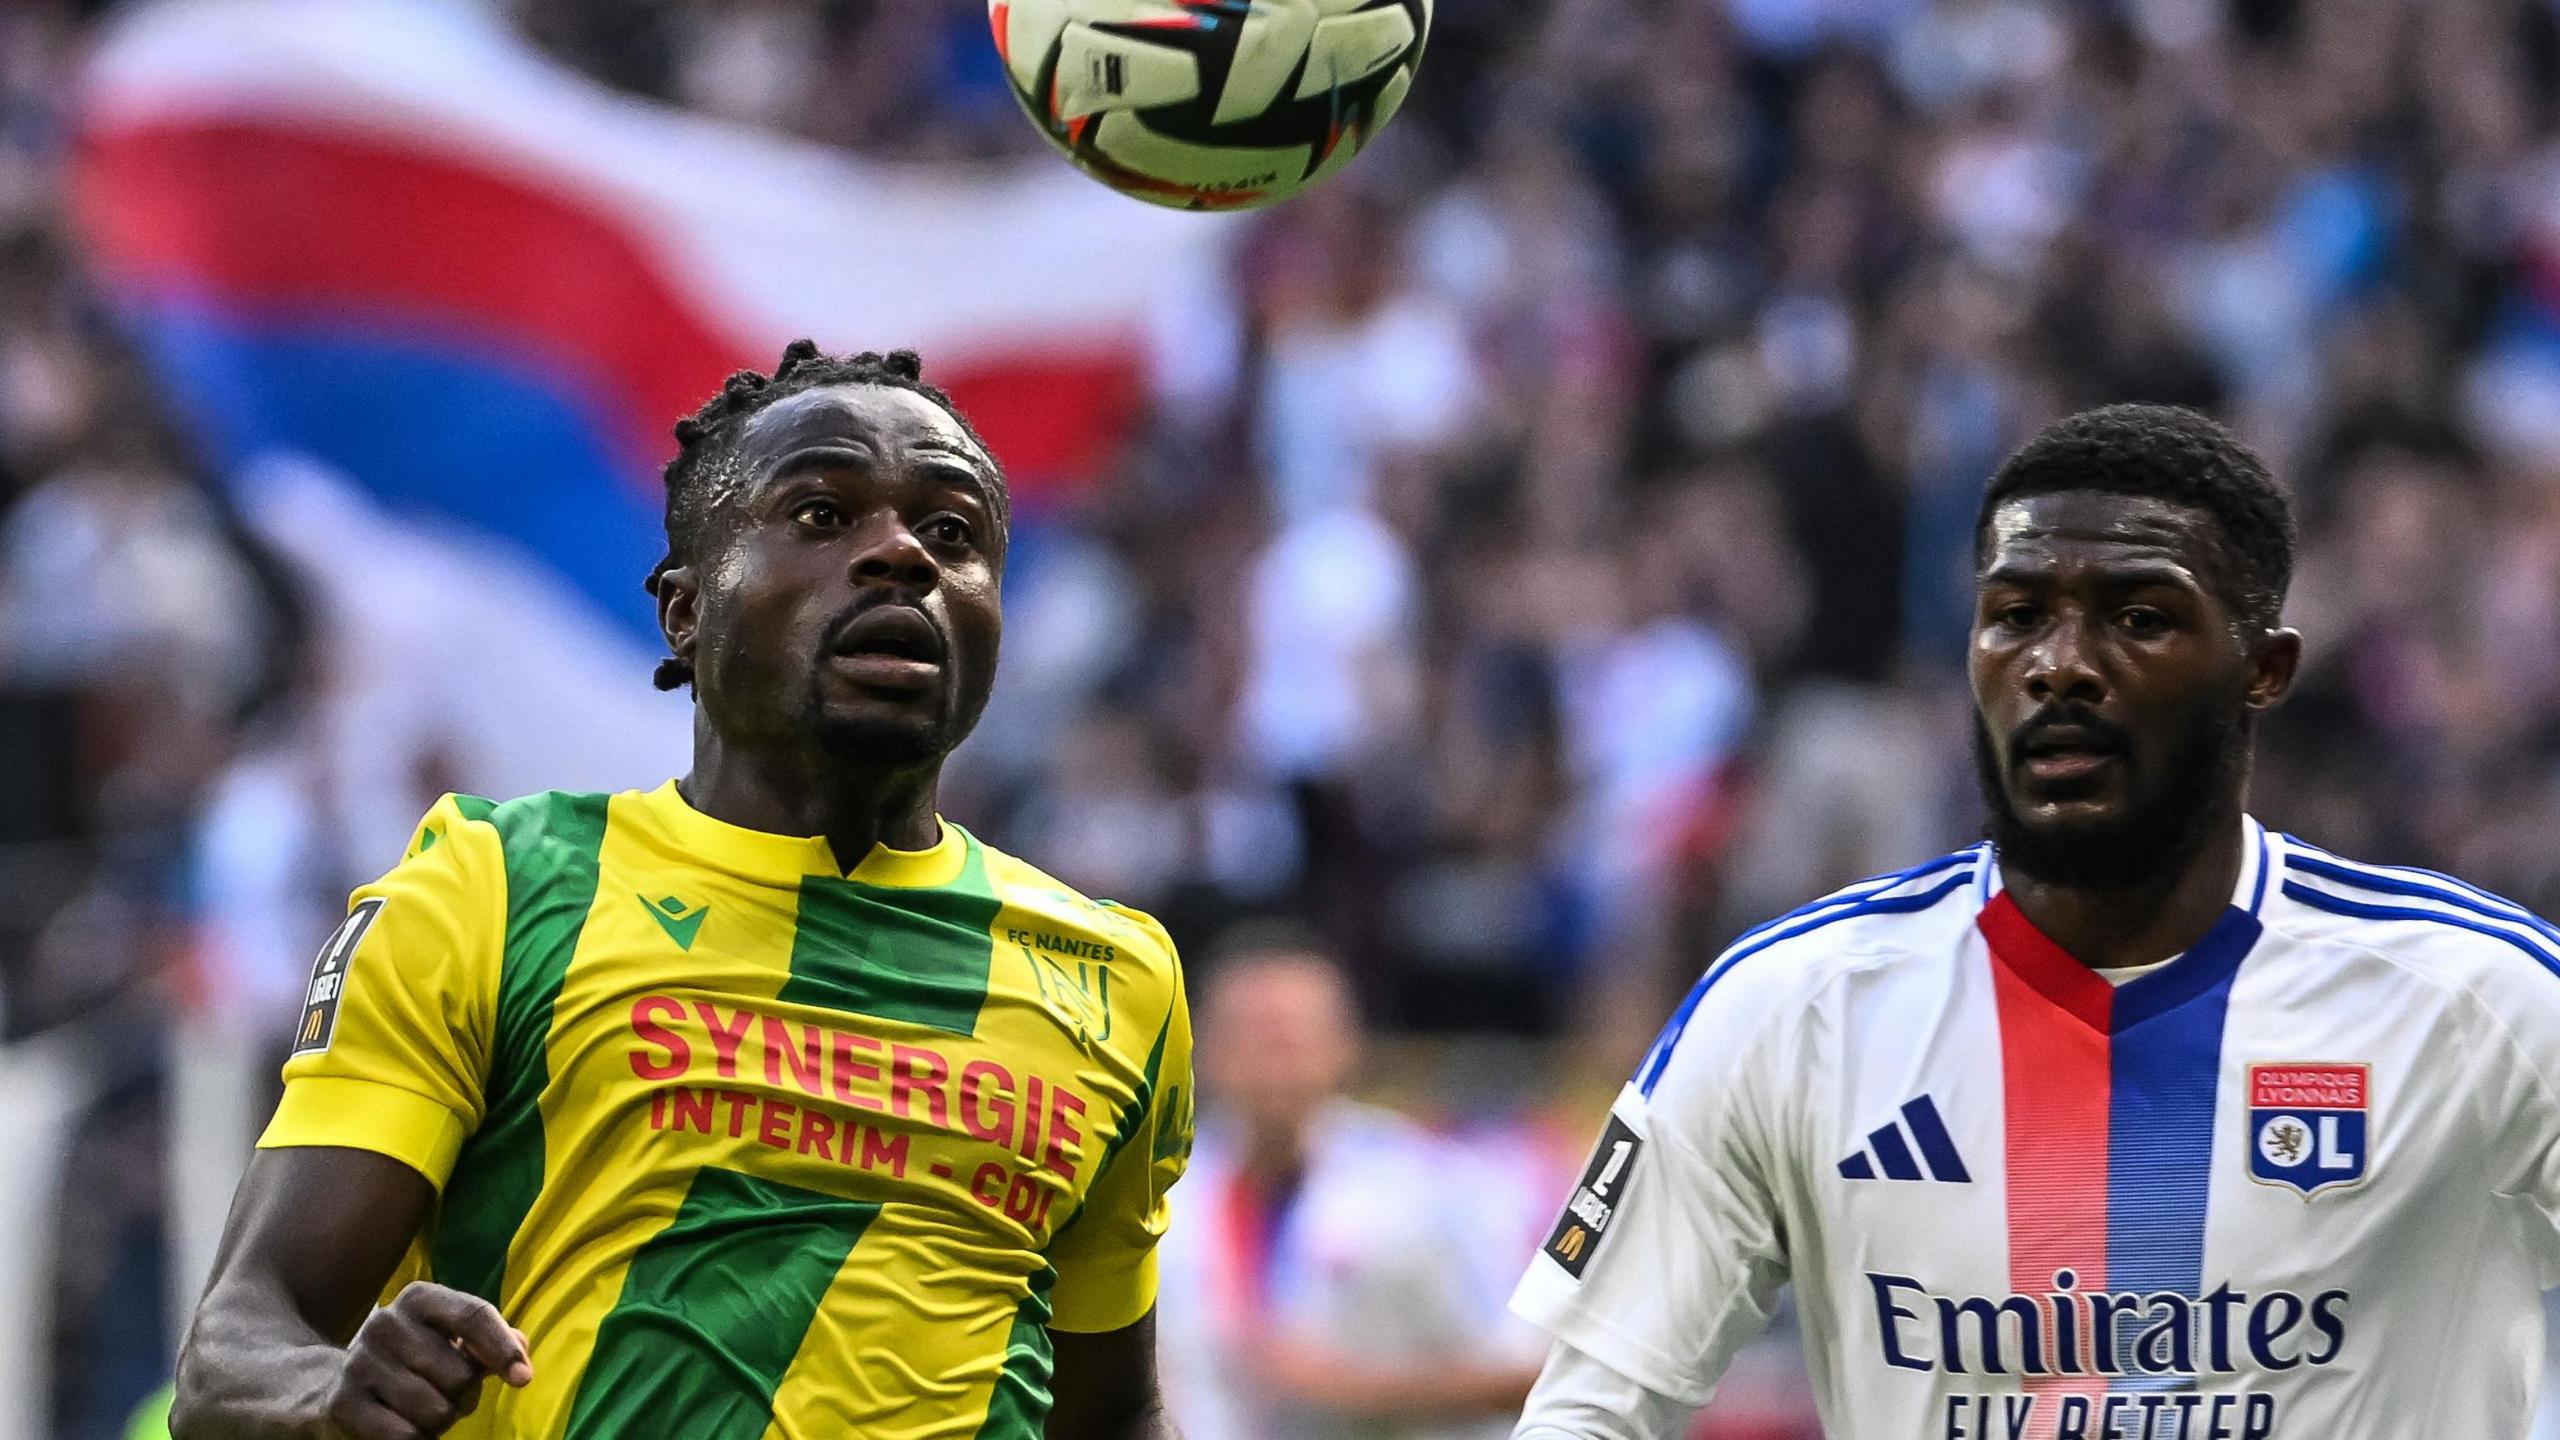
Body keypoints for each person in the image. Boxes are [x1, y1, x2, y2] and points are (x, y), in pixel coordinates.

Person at [169, 342, 1195, 1440]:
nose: (900, 554)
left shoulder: (1115, 978)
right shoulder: (494, 890)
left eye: (952, 533)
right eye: (819, 515)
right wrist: (327, 1395)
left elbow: (1113, 1417)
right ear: (685, 612)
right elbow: (236, 1351)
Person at [1509, 404, 2560, 1439]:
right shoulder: (1792, 1009)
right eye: (2015, 615)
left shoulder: (2481, 1000)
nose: (2059, 663)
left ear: (2262, 669)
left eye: (2139, 617)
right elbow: (1593, 1412)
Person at [1157, 926, 1548, 1440]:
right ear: (1201, 1050)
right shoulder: (1161, 1196)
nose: (1270, 1062)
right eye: (1246, 1036)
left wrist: (1360, 1388)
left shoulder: (1427, 1185)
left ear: (1345, 1046)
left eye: (1288, 1037)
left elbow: (1535, 1374)